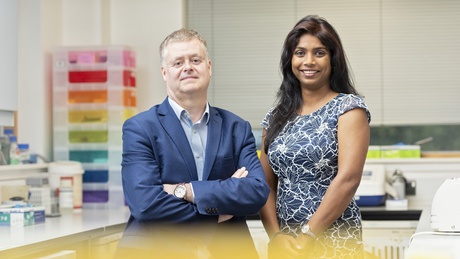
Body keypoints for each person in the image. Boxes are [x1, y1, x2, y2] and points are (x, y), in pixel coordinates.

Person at [114, 28, 270, 259]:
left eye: (195, 60)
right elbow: (144, 203)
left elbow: (256, 192)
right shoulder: (140, 128)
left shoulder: (237, 128)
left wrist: (184, 190)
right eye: (178, 62)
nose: (187, 67)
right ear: (165, 72)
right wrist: (217, 213)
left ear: (209, 66)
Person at [259, 15, 371, 259]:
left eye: (319, 53)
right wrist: (276, 237)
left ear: (333, 59)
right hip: (286, 245)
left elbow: (348, 179)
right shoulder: (275, 117)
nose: (308, 61)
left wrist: (308, 236)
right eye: (300, 53)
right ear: (290, 59)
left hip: (334, 241)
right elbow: (265, 185)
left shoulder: (349, 108)